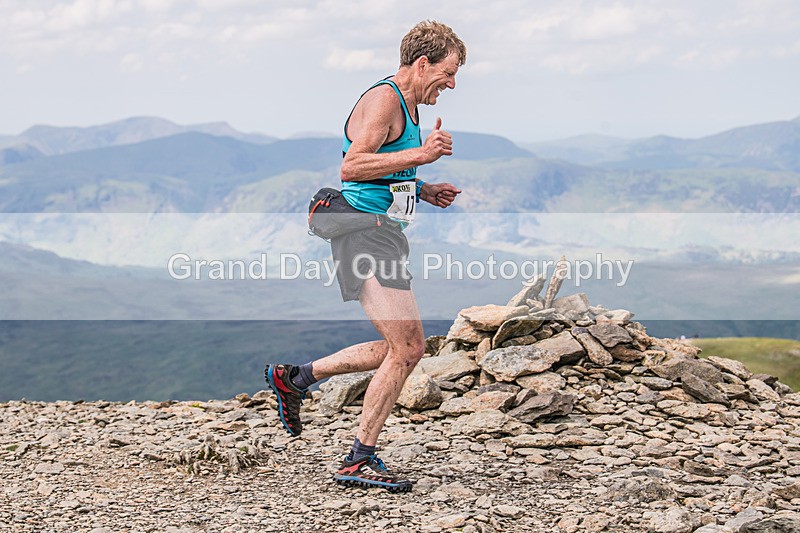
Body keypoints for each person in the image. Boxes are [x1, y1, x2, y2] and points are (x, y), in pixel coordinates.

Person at [266, 20, 466, 493]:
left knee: (402, 347)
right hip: (363, 232)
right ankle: (358, 458)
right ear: (423, 64)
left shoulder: (409, 105)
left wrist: (424, 188)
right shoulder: (384, 100)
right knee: (410, 348)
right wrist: (422, 157)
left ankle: (295, 378)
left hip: (382, 230)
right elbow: (352, 166)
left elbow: (378, 171)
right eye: (449, 72)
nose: (453, 84)